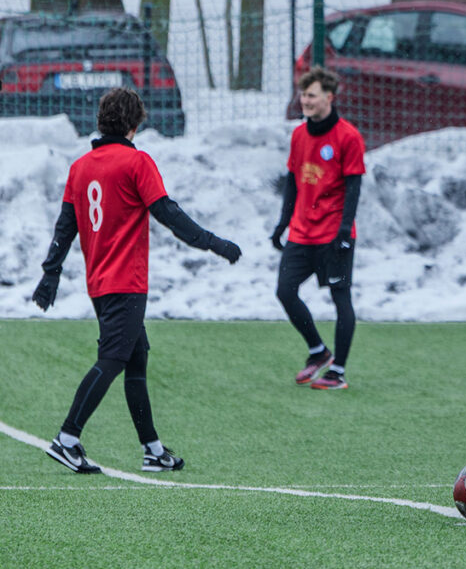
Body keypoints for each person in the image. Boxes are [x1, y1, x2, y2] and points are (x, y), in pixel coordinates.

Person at [33, 87, 242, 474]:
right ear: (134, 125)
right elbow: (169, 214)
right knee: (113, 359)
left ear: (101, 122)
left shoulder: (80, 167)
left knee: (136, 355)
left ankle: (152, 449)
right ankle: (67, 438)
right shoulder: (136, 162)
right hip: (126, 282)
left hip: (99, 282)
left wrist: (51, 273)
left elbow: (65, 226)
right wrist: (214, 243)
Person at [271, 66, 365, 390]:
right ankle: (318, 351)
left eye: (311, 95)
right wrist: (283, 223)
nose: (305, 101)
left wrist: (344, 230)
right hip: (302, 232)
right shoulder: (299, 135)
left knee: (341, 299)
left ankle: (337, 371)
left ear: (329, 97)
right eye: (303, 95)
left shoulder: (348, 137)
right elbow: (292, 181)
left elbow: (354, 187)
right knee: (285, 291)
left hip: (333, 234)